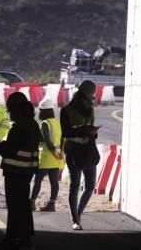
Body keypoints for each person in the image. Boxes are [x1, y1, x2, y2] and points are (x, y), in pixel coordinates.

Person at [0, 92, 40, 250]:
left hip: (16, 171)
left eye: (11, 111)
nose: (10, 114)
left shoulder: (19, 128)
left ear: (17, 110)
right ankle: (23, 238)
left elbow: (10, 150)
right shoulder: (32, 124)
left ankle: (13, 238)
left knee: (15, 206)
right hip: (26, 171)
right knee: (22, 205)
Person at [61, 80, 99, 231]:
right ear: (82, 96)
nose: (90, 102)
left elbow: (91, 131)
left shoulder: (90, 109)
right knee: (75, 185)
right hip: (73, 149)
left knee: (90, 186)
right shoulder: (66, 110)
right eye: (88, 98)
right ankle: (75, 220)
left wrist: (93, 133)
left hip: (88, 148)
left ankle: (78, 213)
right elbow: (66, 132)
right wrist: (84, 130)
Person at [31, 98, 64, 212]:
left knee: (38, 181)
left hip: (46, 157)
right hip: (56, 158)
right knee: (54, 181)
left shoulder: (44, 123)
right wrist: (59, 154)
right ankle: (52, 204)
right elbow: (61, 140)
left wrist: (53, 151)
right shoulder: (57, 123)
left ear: (43, 111)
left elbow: (46, 140)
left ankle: (32, 202)